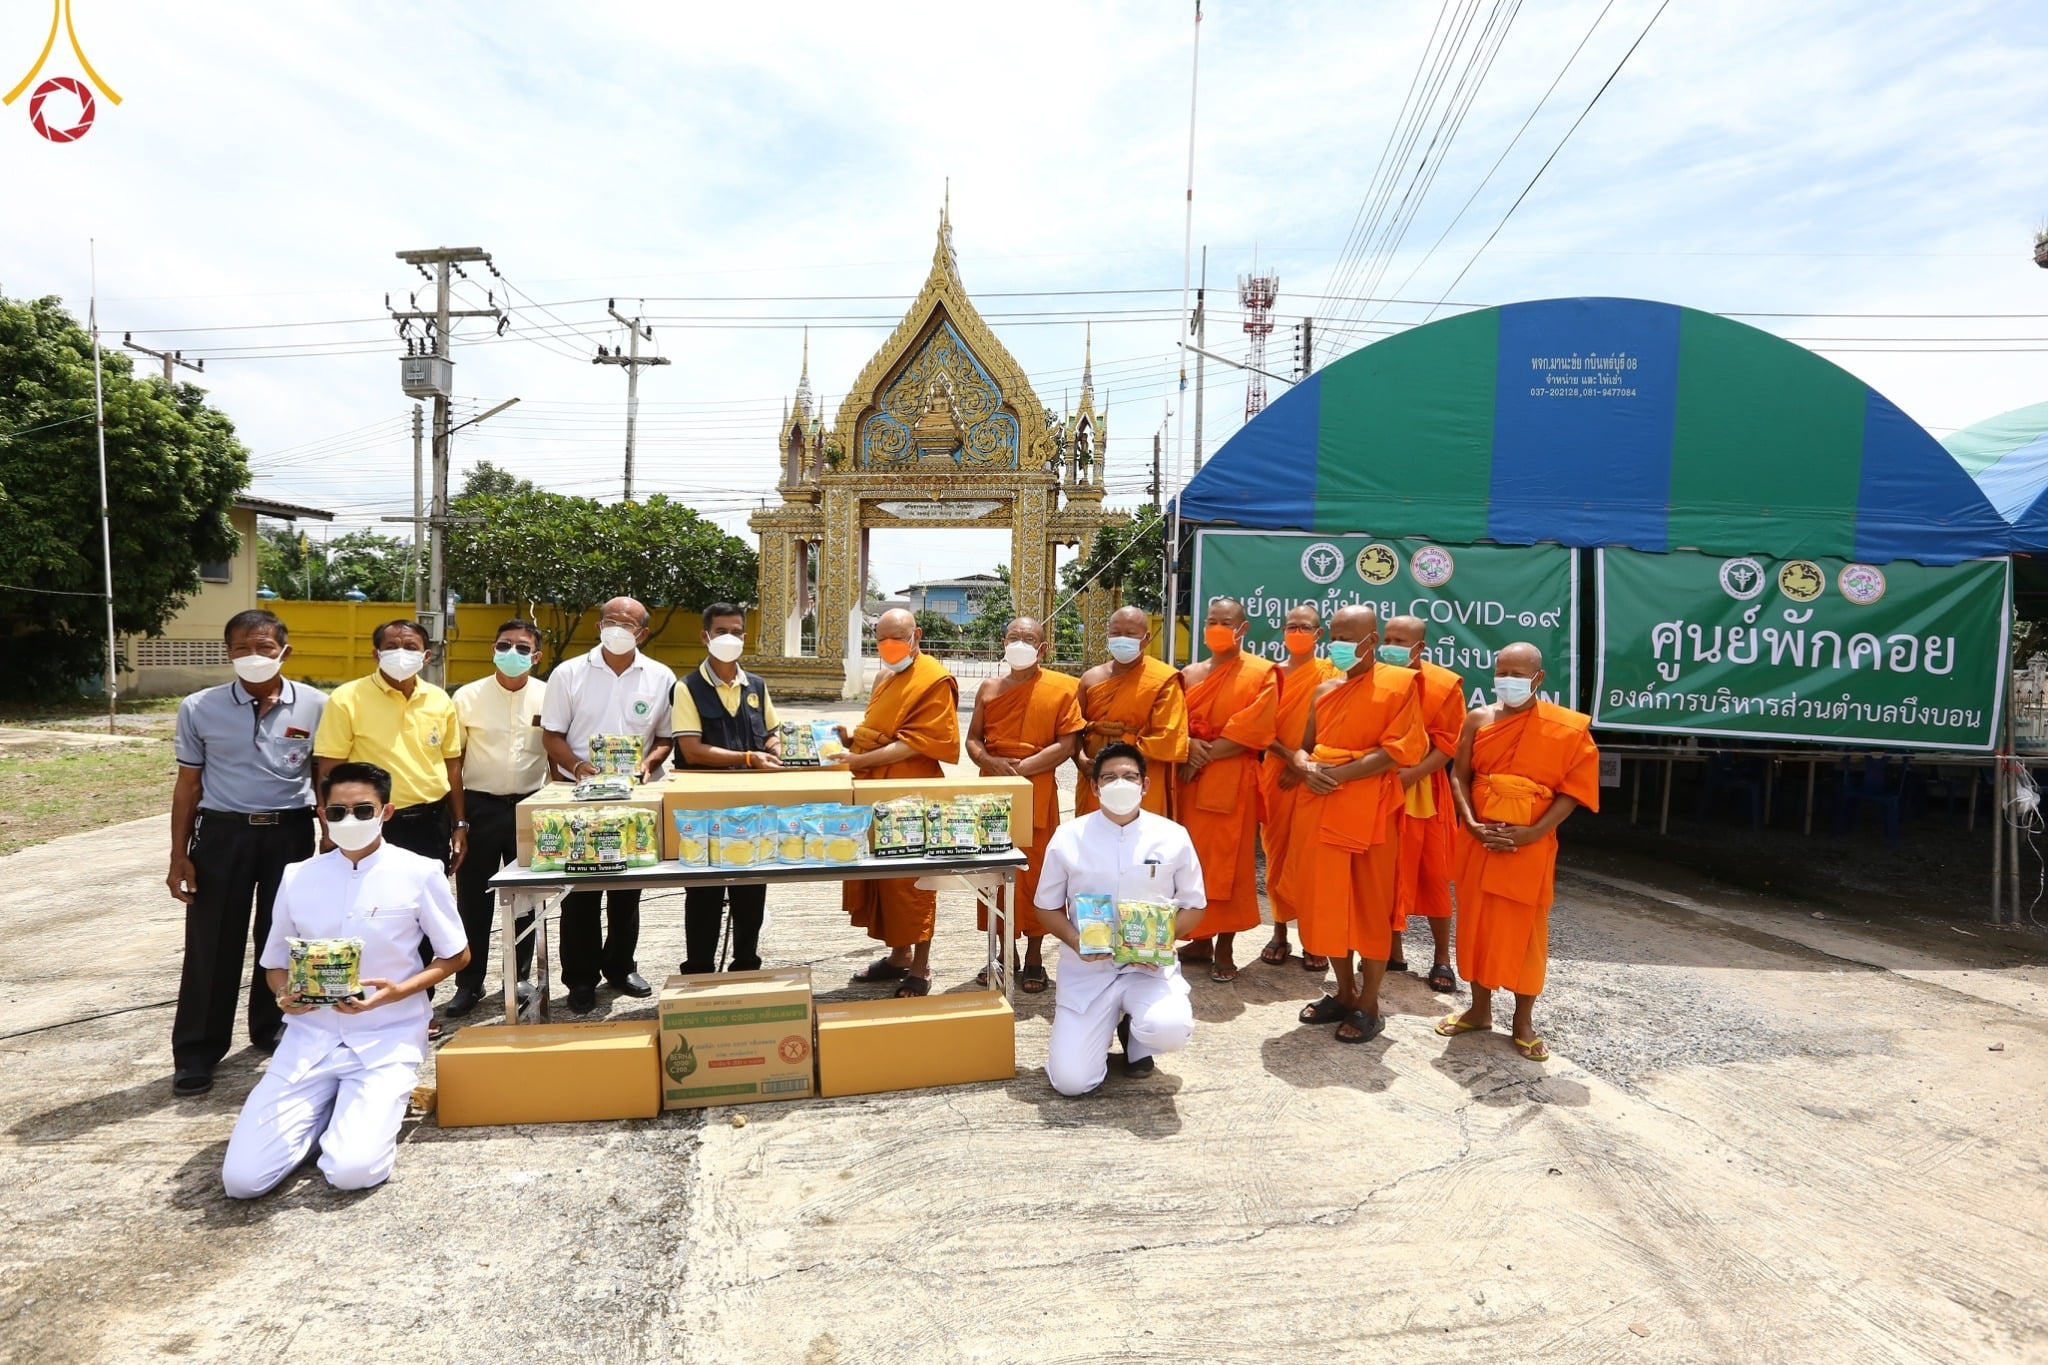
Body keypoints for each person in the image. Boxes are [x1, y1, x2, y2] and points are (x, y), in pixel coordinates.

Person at [220, 762, 468, 1197]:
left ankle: (352, 1114)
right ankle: (323, 1114)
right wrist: (283, 994)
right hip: (309, 1039)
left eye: (362, 810)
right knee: (242, 1182)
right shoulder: (299, 876)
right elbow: (275, 961)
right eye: (336, 812)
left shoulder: (418, 871)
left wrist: (397, 993)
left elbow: (456, 954)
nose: (348, 821)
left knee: (352, 1172)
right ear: (321, 813)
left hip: (385, 1039)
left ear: (386, 812)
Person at [166, 609, 327, 1097]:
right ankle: (197, 1050)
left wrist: (330, 836)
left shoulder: (318, 705)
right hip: (223, 835)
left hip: (291, 834)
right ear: (227, 651)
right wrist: (179, 855)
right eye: (241, 648)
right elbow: (187, 785)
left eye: (263, 647)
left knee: (283, 938)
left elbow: (323, 776)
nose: (252, 657)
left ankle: (272, 1026)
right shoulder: (199, 707)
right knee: (212, 943)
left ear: (284, 650)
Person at [1437, 643, 1599, 1062]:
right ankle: (1478, 1010)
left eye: (1517, 673)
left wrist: (1534, 833)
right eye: (1501, 671)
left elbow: (1573, 792)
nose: (1507, 679)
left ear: (1538, 679)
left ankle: (1523, 1021)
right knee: (1476, 925)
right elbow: (1459, 773)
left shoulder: (1565, 727)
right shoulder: (1478, 718)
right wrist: (1470, 822)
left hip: (1530, 845)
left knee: (1527, 933)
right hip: (1478, 839)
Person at [1274, 605, 1425, 1045]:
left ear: (1371, 641)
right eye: (1334, 636)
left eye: (1348, 636)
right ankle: (1343, 991)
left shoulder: (1399, 686)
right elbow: (1303, 748)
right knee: (1327, 906)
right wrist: (1304, 767)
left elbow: (1397, 750)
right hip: (1318, 808)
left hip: (1368, 812)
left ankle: (1370, 1003)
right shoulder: (1324, 690)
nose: (1338, 645)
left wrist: (1336, 775)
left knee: (1368, 908)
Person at [1035, 743, 1206, 1096]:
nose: (1120, 784)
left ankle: (1136, 1035)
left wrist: (1159, 939)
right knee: (1071, 1083)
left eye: (1130, 776)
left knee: (1169, 1027)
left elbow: (1195, 906)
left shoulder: (1173, 836)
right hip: (1088, 972)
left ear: (1145, 784)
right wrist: (1074, 941)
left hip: (1148, 970)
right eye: (1110, 777)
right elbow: (1045, 908)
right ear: (1095, 787)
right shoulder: (1068, 837)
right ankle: (1098, 1030)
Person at [539, 595, 676, 1012]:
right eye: (609, 621)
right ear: (598, 626)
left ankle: (620, 966)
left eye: (627, 623)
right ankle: (580, 978)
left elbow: (667, 738)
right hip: (578, 797)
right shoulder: (569, 673)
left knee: (627, 889)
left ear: (643, 633)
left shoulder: (659, 676)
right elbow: (552, 735)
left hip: (634, 798)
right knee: (579, 891)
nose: (617, 628)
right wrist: (579, 767)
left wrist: (648, 765)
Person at [837, 608, 961, 997]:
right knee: (884, 878)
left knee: (913, 881)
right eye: (881, 639)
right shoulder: (882, 676)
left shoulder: (934, 679)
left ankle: (920, 966)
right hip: (875, 789)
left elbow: (916, 742)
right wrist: (848, 740)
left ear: (916, 635)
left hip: (913, 791)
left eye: (896, 638)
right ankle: (898, 955)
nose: (888, 646)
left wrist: (860, 759)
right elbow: (878, 731)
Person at [963, 616, 1083, 994]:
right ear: (1003, 642)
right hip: (994, 787)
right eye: (1013, 637)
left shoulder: (1063, 689)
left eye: (1028, 638)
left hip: (1036, 787)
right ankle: (1002, 952)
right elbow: (973, 741)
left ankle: (1034, 955)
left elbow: (1067, 743)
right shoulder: (988, 687)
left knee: (1037, 873)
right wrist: (992, 763)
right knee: (994, 871)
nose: (1020, 642)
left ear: (1043, 648)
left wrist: (1023, 769)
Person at [672, 602, 784, 975]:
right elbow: (691, 749)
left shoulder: (756, 685)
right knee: (704, 893)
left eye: (736, 632)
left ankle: (746, 965)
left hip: (752, 807)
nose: (729, 638)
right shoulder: (687, 688)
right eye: (721, 631)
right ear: (705, 636)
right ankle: (700, 971)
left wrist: (776, 750)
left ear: (744, 637)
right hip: (703, 810)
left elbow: (772, 733)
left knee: (752, 889)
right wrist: (750, 758)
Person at [447, 619, 550, 1018]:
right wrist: (458, 822)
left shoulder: (548, 696)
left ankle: (520, 977)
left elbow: (554, 755)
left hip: (529, 807)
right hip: (479, 807)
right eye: (505, 645)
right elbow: (454, 764)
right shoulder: (467, 697)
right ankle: (468, 983)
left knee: (527, 900)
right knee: (473, 901)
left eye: (523, 649)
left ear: (536, 657)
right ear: (493, 648)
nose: (513, 654)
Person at [1173, 597, 1278, 983]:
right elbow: (1173, 721)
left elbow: (1254, 729)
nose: (1218, 627)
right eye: (1212, 620)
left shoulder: (1262, 672)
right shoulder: (1189, 674)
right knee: (1191, 861)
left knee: (1229, 864)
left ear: (1243, 628)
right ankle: (1199, 939)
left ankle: (1225, 946)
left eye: (1226, 621)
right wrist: (1186, 747)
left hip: (1232, 777)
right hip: (1190, 780)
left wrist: (1202, 753)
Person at [312, 619, 466, 872]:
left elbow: (452, 767)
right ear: (377, 654)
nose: (401, 653)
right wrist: (330, 830)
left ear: (426, 656)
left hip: (431, 821)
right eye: (392, 646)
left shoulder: (439, 700)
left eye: (410, 646)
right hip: (369, 821)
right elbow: (329, 769)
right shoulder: (346, 698)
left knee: (423, 900)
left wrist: (459, 824)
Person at [1382, 614, 1467, 993]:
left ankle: (1441, 958)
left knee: (1432, 875)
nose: (1391, 647)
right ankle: (1393, 950)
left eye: (1401, 641)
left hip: (1424, 790)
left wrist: (1412, 775)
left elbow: (1449, 744)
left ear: (1420, 647)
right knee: (1387, 871)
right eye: (1387, 639)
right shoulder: (1376, 678)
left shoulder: (1444, 685)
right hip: (1382, 784)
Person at [1257, 605, 1340, 972]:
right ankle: (1278, 931)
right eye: (1292, 626)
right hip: (1277, 772)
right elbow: (1260, 728)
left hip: (1316, 773)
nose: (1297, 632)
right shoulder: (1270, 675)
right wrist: (1290, 758)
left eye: (1305, 627)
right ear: (1283, 631)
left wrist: (1306, 764)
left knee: (1311, 860)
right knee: (1276, 854)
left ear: (1318, 634)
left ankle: (1313, 937)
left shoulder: (1332, 674)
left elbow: (1338, 724)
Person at [1074, 606, 1188, 818]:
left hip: (1141, 774)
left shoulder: (1163, 679)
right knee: (1093, 835)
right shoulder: (1090, 678)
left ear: (1145, 639)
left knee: (1143, 838)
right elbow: (1073, 728)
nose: (1121, 639)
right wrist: (1081, 759)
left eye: (1130, 634)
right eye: (1116, 633)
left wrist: (1120, 769)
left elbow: (1166, 736)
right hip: (1095, 774)